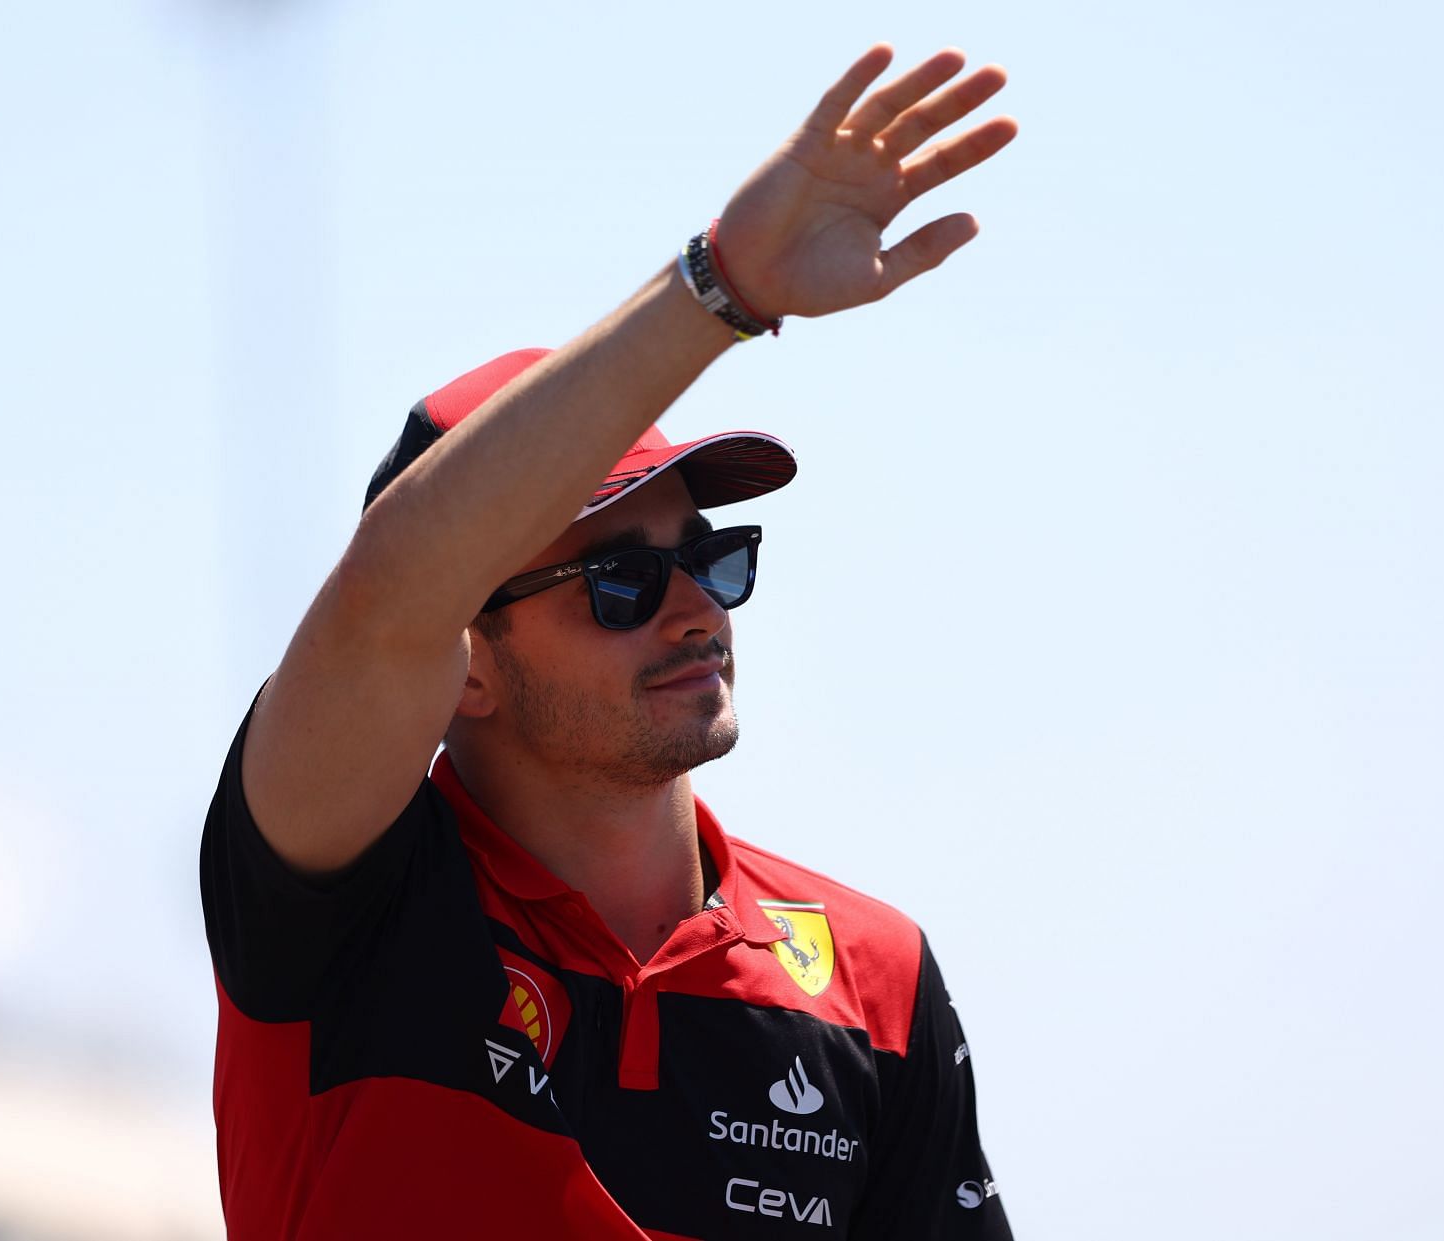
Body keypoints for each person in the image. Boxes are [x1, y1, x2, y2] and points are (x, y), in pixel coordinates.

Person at [200, 43, 1019, 1240]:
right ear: (463, 659)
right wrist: (721, 289)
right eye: (623, 580)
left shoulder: (875, 978)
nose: (697, 606)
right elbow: (386, 601)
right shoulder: (347, 897)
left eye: (710, 556)